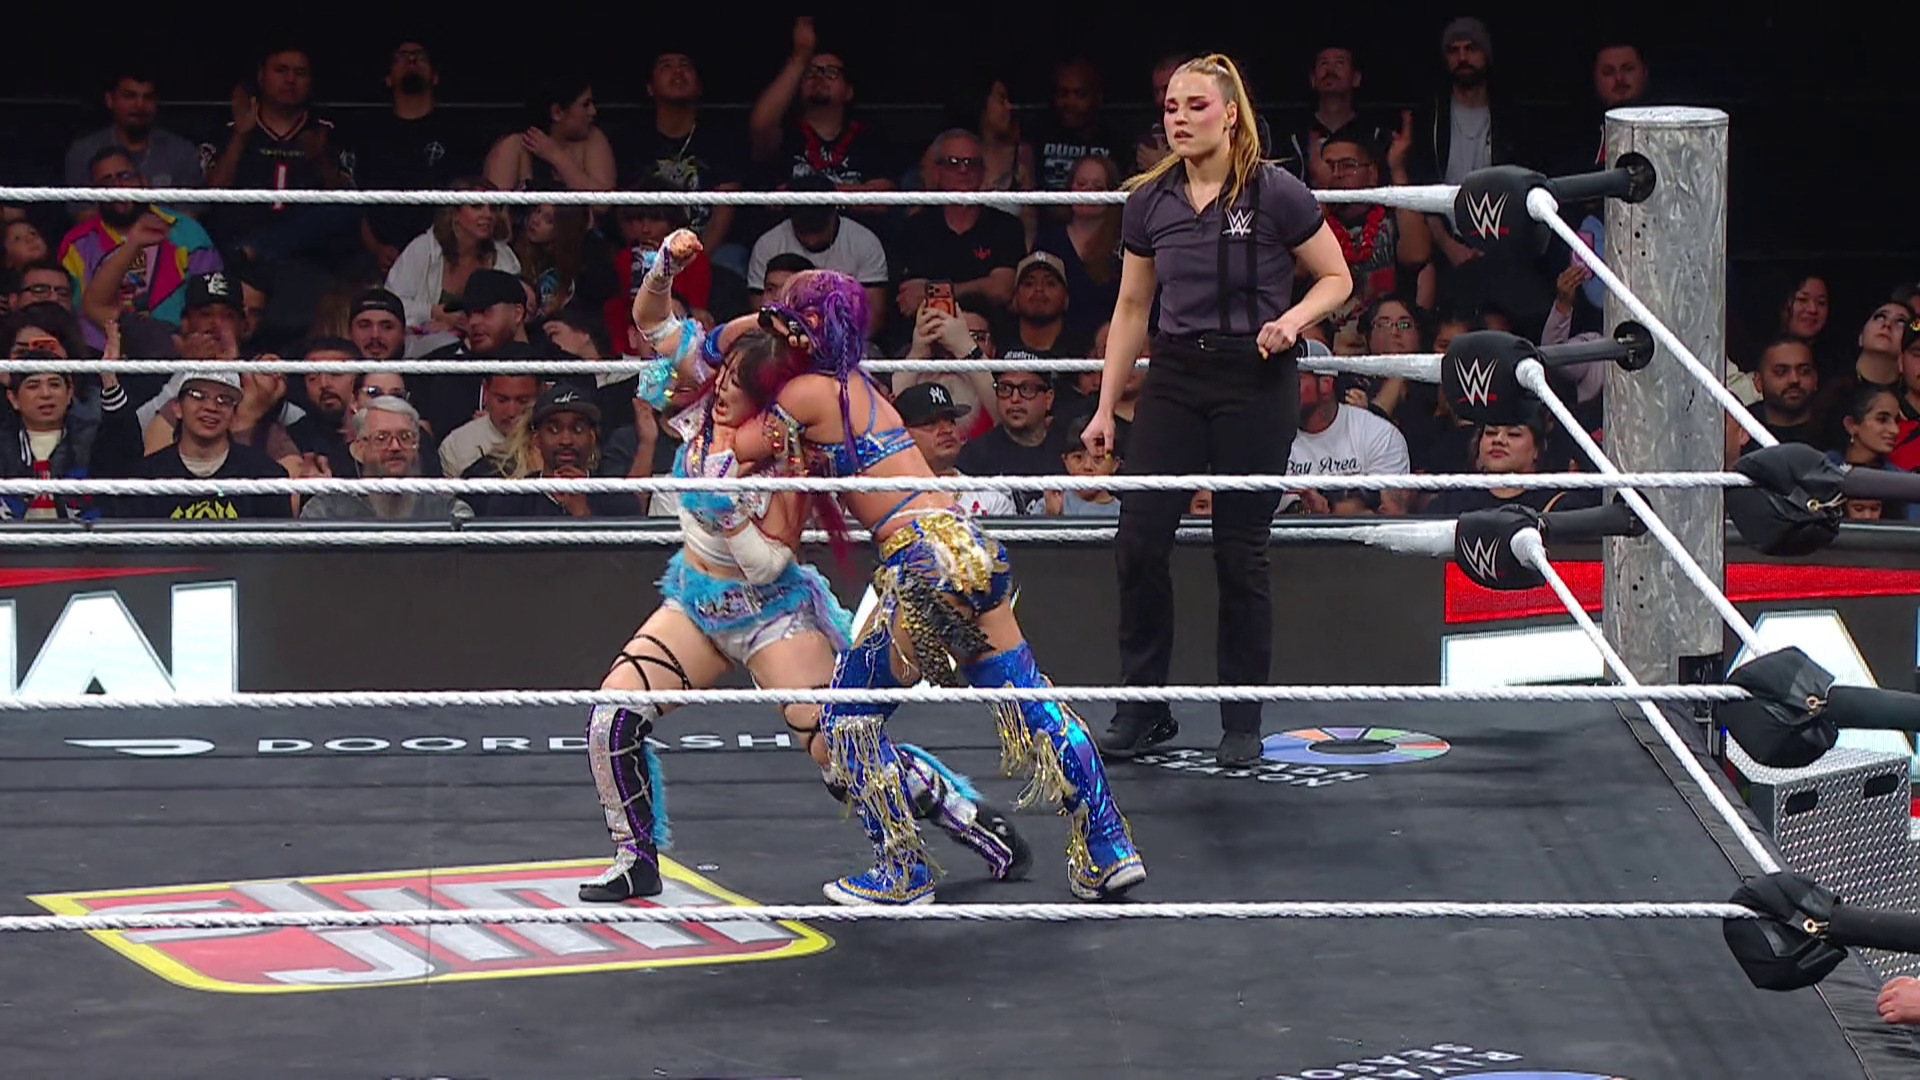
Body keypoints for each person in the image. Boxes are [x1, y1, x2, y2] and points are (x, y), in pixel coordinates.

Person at [638, 234, 1144, 906]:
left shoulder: (811, 393)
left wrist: (720, 356)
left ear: (801, 330)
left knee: (845, 717)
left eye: (785, 320)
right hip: (968, 547)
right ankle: (1110, 849)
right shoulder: (862, 389)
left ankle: (902, 870)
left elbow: (730, 446)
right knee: (1030, 700)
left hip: (923, 561)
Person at [584, 248, 1031, 904]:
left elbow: (771, 561)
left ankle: (958, 812)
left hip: (773, 613)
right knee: (610, 717)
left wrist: (729, 514)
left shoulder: (787, 450)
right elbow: (654, 321)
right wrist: (665, 272)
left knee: (836, 748)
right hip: (696, 602)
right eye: (722, 373)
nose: (723, 386)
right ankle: (635, 859)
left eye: (742, 381)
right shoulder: (710, 404)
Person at [1081, 54, 1354, 766]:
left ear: (1230, 114)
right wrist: (1107, 406)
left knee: (1240, 551)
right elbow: (1133, 306)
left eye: (1195, 105)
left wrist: (1292, 321)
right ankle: (1143, 709)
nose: (1179, 118)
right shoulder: (1149, 201)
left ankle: (1242, 720)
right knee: (1139, 539)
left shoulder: (1276, 191)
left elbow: (1336, 277)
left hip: (1255, 376)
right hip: (1176, 375)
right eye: (1171, 107)